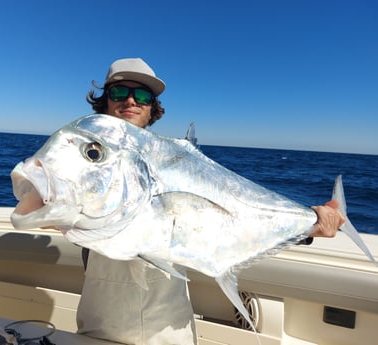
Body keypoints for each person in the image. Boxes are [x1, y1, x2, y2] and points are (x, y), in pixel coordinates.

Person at [75, 58, 346, 345]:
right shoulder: (83, 157)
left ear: (152, 107)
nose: (130, 100)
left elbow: (230, 218)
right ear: (105, 101)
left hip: (168, 331)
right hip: (99, 325)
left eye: (142, 95)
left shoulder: (175, 159)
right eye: (119, 92)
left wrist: (308, 228)